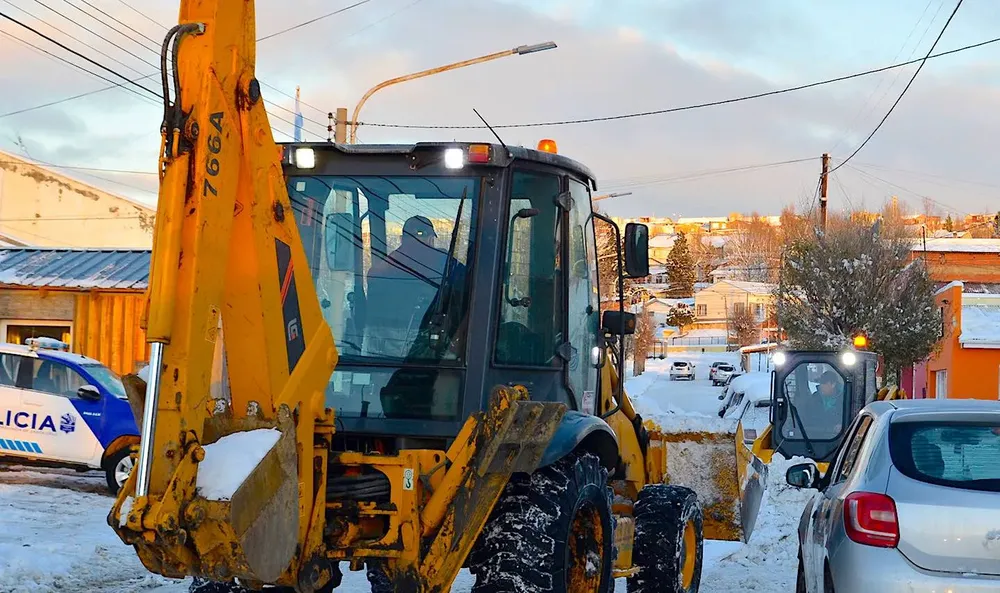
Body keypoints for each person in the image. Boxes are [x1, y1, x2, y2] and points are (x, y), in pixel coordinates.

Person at [364, 215, 464, 359]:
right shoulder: (443, 261)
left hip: (378, 341)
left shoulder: (385, 265)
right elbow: (468, 284)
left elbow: (372, 282)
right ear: (430, 239)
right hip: (421, 336)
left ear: (402, 238)